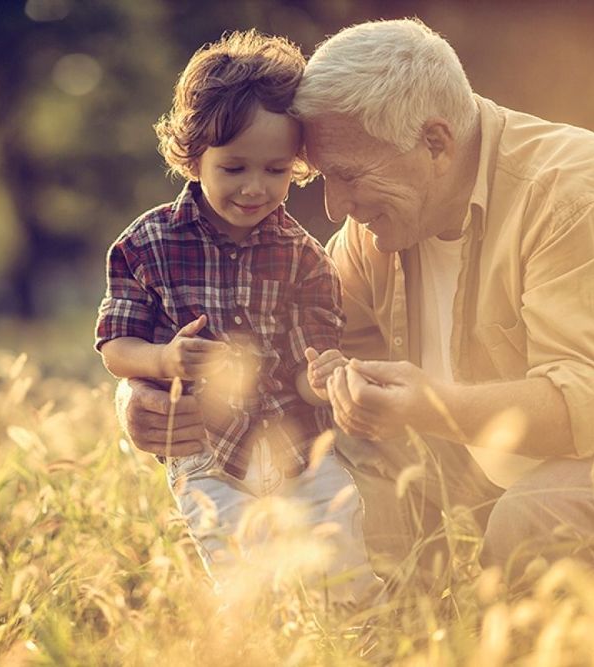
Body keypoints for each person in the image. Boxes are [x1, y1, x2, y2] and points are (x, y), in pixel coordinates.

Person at [119, 17, 594, 586]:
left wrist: (433, 407)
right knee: (337, 447)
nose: (335, 206)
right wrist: (142, 391)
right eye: (321, 177)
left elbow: (586, 401)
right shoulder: (375, 234)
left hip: (573, 466)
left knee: (534, 519)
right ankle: (386, 626)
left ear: (435, 143)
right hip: (479, 471)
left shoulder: (570, 196)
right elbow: (290, 357)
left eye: (347, 175)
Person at [94, 29, 382, 603]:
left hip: (297, 446)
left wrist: (322, 376)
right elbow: (115, 347)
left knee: (342, 562)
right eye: (234, 169)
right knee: (246, 581)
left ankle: (358, 636)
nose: (255, 188)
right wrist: (164, 358)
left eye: (276, 171)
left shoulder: (305, 258)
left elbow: (306, 365)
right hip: (205, 453)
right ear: (193, 156)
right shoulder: (146, 244)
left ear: (297, 165)